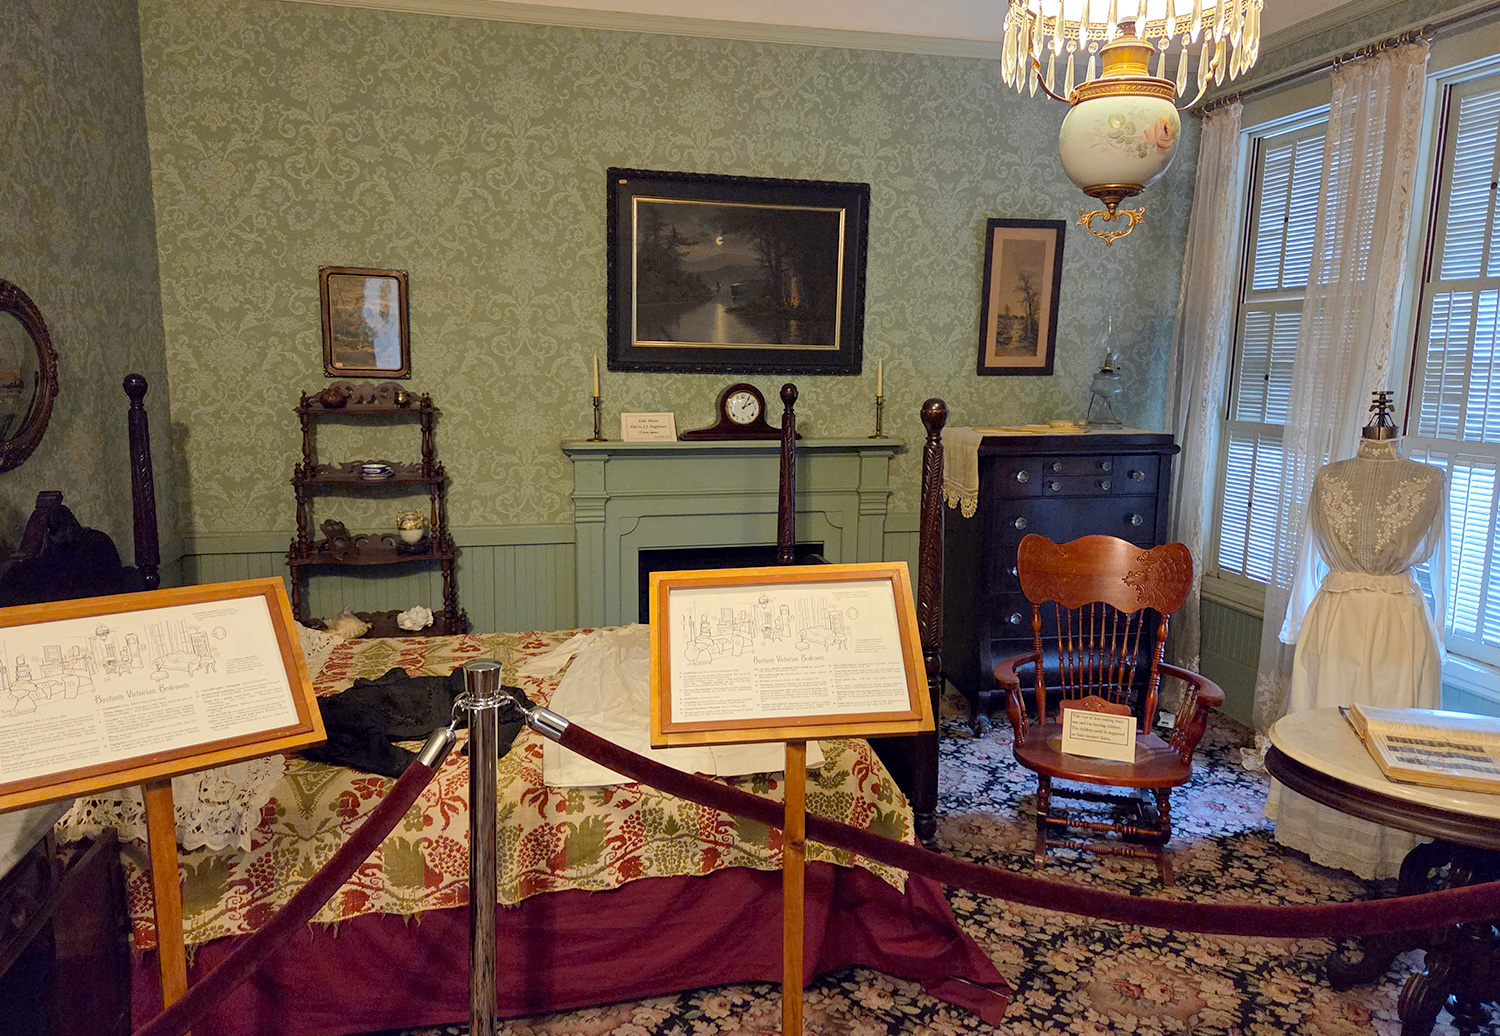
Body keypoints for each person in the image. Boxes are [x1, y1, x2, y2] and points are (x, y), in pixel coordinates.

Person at [1266, 393, 1447, 879]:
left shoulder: (1429, 479)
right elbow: (1309, 553)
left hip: (1390, 622)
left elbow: (1441, 564)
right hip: (1344, 616)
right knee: (1325, 716)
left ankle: (1386, 838)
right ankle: (1316, 824)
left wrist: (1439, 634)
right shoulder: (1329, 477)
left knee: (1392, 722)